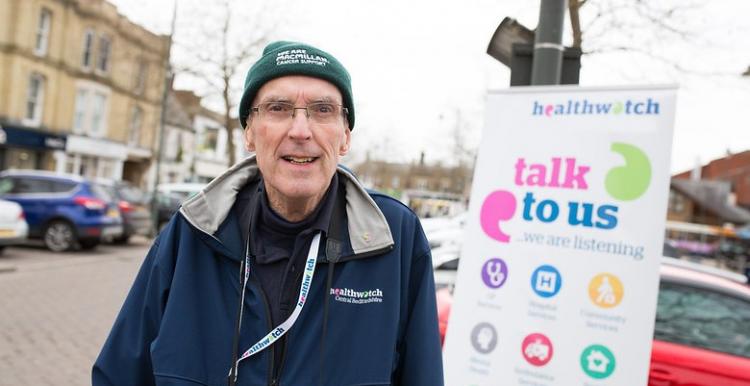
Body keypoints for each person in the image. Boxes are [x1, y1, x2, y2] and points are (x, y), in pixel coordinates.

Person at [93, 41, 444, 386]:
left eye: (323, 110)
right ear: (249, 132)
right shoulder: (193, 233)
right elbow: (119, 374)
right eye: (278, 108)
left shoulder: (396, 238)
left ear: (345, 137)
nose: (301, 131)